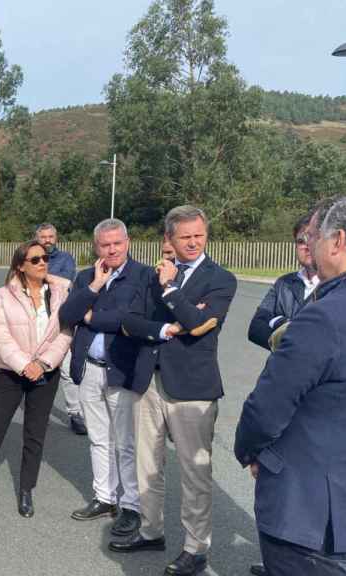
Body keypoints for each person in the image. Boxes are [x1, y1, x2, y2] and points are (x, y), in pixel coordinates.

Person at [235, 194, 346, 576]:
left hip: (314, 521)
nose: (311, 247)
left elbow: (266, 410)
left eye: (315, 237)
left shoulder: (324, 316)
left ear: (338, 241)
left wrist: (251, 452)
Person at [110, 205, 237, 576]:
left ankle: (196, 549)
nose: (194, 242)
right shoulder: (152, 276)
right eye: (186, 237)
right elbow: (129, 323)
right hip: (149, 382)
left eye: (199, 235)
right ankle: (150, 531)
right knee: (147, 465)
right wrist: (167, 328)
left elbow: (200, 323)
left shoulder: (221, 279)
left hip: (193, 390)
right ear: (170, 239)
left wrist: (171, 291)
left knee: (194, 472)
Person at [0, 240, 72, 518]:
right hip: (11, 372)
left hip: (46, 371)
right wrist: (24, 365)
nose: (42, 263)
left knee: (34, 433)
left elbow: (66, 332)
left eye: (44, 258)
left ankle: (26, 490)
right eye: (35, 260)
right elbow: (0, 337)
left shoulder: (60, 292)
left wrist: (43, 364)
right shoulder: (3, 296)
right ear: (21, 266)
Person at [59, 219, 151, 538]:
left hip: (121, 369)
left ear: (128, 242)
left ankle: (130, 505)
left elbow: (132, 320)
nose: (111, 250)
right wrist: (94, 288)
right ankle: (105, 497)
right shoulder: (86, 277)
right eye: (104, 244)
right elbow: (66, 316)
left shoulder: (143, 276)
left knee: (125, 442)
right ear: (95, 246)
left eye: (117, 243)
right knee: (99, 438)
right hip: (89, 368)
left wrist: (92, 317)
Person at [244, 212, 320, 576]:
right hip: (281, 386)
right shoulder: (286, 283)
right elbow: (256, 326)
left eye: (309, 238)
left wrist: (286, 327)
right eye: (299, 240)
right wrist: (285, 327)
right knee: (276, 479)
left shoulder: (336, 284)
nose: (304, 245)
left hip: (314, 397)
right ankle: (277, 559)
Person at [34, 223, 84, 435]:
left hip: (60, 323)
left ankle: (76, 414)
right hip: (35, 322)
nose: (47, 240)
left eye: (51, 236)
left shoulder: (66, 259)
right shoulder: (28, 256)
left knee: (66, 371)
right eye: (43, 237)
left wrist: (40, 276)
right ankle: (38, 414)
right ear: (37, 239)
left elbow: (66, 284)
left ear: (57, 238)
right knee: (37, 371)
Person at [247, 214, 319, 351]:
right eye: (301, 242)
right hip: (279, 368)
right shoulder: (284, 283)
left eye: (312, 239)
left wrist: (277, 323)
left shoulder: (337, 285)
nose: (307, 246)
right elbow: (255, 329)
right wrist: (289, 342)